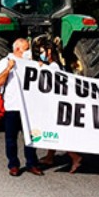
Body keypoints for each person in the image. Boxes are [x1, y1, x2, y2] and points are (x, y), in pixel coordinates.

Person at [0, 38, 42, 176]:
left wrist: (41, 68)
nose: (29, 52)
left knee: (31, 138)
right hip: (12, 106)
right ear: (17, 49)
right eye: (26, 49)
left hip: (28, 107)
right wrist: (9, 68)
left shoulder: (30, 63)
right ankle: (13, 165)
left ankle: (32, 163)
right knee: (11, 139)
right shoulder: (4, 62)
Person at [36, 41, 84, 173]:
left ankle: (75, 157)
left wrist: (41, 69)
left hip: (54, 105)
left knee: (57, 133)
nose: (41, 55)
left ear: (49, 52)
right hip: (56, 104)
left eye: (42, 52)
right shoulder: (57, 65)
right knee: (53, 130)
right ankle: (50, 157)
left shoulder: (53, 67)